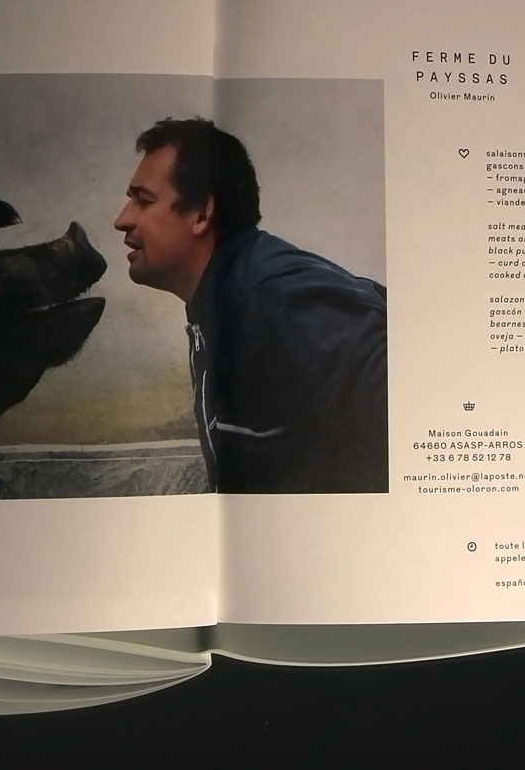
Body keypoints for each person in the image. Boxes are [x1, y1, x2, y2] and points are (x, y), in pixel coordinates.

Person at [113, 117, 388, 493]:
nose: (122, 219)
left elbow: (409, 418)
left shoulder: (280, 302)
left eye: (143, 201)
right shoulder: (228, 296)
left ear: (201, 214)